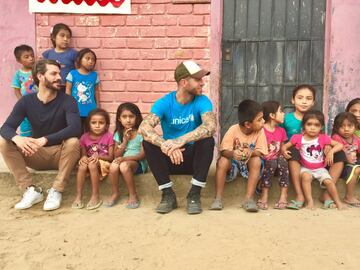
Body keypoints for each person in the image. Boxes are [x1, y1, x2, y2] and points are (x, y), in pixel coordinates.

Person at [0, 59, 81, 211]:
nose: (59, 77)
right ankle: (30, 190)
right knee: (4, 142)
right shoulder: (26, 101)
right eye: (54, 73)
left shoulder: (68, 100)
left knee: (73, 141)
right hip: (35, 155)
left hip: (62, 154)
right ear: (40, 76)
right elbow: (6, 127)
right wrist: (18, 138)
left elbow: (76, 128)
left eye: (59, 73)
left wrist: (45, 140)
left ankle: (56, 190)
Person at [139, 60, 216, 215]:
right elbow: (144, 127)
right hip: (170, 158)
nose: (202, 83)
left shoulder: (202, 101)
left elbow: (210, 127)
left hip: (193, 159)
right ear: (184, 82)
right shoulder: (164, 103)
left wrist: (179, 141)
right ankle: (168, 195)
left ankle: (194, 194)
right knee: (147, 143)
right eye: (198, 79)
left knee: (208, 141)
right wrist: (166, 145)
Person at [282, 85, 346, 210]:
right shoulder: (287, 118)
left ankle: (327, 195)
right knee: (293, 150)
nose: (304, 101)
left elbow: (323, 137)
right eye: (300, 98)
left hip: (317, 155)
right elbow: (281, 138)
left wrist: (328, 147)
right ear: (293, 100)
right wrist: (283, 149)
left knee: (340, 154)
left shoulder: (318, 117)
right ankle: (300, 195)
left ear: (313, 102)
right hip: (296, 154)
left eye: (308, 98)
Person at [210, 99, 268, 212]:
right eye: (260, 119)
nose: (264, 121)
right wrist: (233, 154)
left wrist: (251, 153)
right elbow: (224, 151)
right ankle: (217, 199)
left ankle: (249, 199)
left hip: (248, 166)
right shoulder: (233, 129)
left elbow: (261, 152)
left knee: (256, 160)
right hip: (234, 165)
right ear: (247, 124)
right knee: (222, 161)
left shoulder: (260, 131)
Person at [106, 102, 147, 209]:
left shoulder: (141, 133)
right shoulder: (118, 134)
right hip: (121, 161)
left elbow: (142, 155)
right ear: (119, 119)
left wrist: (125, 158)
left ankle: (133, 194)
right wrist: (124, 141)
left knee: (124, 166)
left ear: (137, 118)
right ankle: (115, 193)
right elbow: (116, 154)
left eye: (131, 116)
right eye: (124, 117)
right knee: (113, 166)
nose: (128, 120)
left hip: (137, 163)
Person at [72, 108, 114, 210]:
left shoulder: (109, 136)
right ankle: (78, 196)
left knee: (92, 164)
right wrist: (83, 158)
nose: (97, 125)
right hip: (91, 162)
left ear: (106, 125)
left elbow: (111, 157)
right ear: (88, 124)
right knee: (82, 166)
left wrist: (98, 157)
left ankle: (95, 195)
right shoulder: (84, 137)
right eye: (93, 123)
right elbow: (84, 155)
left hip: (104, 163)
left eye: (101, 123)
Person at [257, 101, 289, 210]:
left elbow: (282, 147)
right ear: (272, 115)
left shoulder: (281, 131)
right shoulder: (261, 130)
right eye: (280, 111)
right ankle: (264, 194)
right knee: (271, 161)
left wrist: (284, 152)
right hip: (265, 162)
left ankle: (283, 195)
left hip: (277, 162)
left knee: (282, 161)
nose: (283, 113)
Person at [66, 48, 100, 132]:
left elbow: (96, 91)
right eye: (87, 58)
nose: (91, 61)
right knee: (77, 131)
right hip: (76, 109)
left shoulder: (94, 75)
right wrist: (67, 105)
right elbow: (68, 89)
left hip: (90, 109)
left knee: (90, 131)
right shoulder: (72, 73)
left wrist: (98, 105)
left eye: (93, 59)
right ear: (79, 59)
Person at [331, 112, 360, 206]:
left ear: (355, 127)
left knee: (356, 168)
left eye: (350, 126)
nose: (346, 129)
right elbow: (342, 153)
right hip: (342, 167)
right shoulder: (336, 138)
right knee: (355, 169)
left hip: (354, 164)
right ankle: (349, 197)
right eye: (342, 126)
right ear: (336, 127)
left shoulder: (356, 139)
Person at [42, 23, 77, 92]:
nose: (65, 39)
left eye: (68, 37)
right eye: (62, 36)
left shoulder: (73, 54)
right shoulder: (47, 54)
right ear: (54, 37)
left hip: (68, 88)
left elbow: (78, 71)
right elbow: (43, 71)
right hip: (51, 87)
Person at [11, 45, 37, 137]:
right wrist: (21, 102)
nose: (31, 59)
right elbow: (16, 89)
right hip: (26, 103)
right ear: (19, 60)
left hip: (38, 101)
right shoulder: (18, 74)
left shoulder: (37, 71)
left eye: (32, 56)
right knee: (25, 120)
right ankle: (26, 139)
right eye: (26, 57)